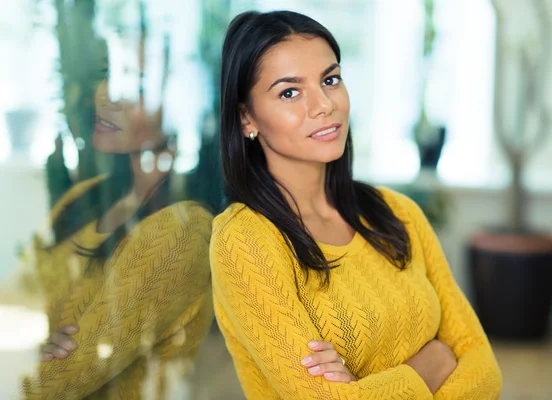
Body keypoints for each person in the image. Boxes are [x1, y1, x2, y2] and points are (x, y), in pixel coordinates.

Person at [210, 10, 502, 399]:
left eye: (330, 80)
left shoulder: (398, 213)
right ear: (247, 117)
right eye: (289, 92)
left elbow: (484, 369)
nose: (323, 105)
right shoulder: (244, 241)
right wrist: (435, 361)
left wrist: (366, 388)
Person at [0, 60, 214, 399]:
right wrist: (31, 344)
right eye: (108, 80)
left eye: (134, 86)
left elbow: (72, 373)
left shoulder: (183, 230)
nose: (105, 97)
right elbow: (3, 302)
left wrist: (27, 358)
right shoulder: (85, 197)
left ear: (177, 107)